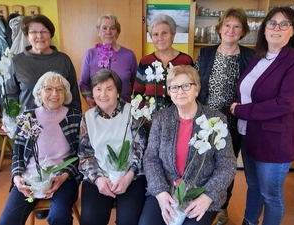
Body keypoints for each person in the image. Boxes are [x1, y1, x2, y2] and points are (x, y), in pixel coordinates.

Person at [230, 7, 294, 225]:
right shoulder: (259, 57)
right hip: (250, 135)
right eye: (272, 23)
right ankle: (249, 221)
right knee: (254, 186)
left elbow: (285, 103)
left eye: (284, 24)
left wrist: (241, 111)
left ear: (293, 31)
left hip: (275, 141)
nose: (277, 28)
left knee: (271, 196)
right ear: (264, 29)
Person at [139, 65, 237, 225]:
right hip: (167, 189)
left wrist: (208, 196)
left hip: (201, 192)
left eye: (186, 86)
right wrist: (161, 193)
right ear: (169, 92)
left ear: (196, 89)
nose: (180, 91)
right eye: (174, 87)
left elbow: (227, 164)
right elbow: (151, 159)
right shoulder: (161, 118)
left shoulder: (215, 120)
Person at [194, 8, 255, 225]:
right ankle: (199, 201)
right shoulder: (206, 53)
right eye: (227, 25)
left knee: (226, 167)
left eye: (236, 26)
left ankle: (222, 205)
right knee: (201, 163)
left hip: (233, 122)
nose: (231, 30)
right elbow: (195, 81)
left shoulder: (250, 56)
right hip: (206, 120)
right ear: (220, 28)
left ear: (243, 31)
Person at [0, 72, 82, 225]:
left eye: (60, 89)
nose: (54, 94)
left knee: (59, 217)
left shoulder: (75, 117)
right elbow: (18, 153)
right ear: (39, 93)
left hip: (62, 178)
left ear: (66, 93)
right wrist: (17, 178)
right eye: (48, 88)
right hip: (29, 178)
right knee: (7, 222)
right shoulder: (28, 117)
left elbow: (79, 154)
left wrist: (64, 175)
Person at [78, 69, 147, 225]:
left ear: (118, 92)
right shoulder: (87, 118)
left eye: (109, 89)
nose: (103, 94)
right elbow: (85, 155)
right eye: (98, 89)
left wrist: (128, 177)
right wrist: (98, 180)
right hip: (99, 176)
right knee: (90, 220)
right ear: (93, 93)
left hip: (131, 176)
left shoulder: (133, 112)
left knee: (128, 220)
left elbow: (140, 148)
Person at [6, 14, 81, 112]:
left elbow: (73, 95)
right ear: (27, 36)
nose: (39, 36)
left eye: (44, 31)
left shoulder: (63, 60)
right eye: (33, 32)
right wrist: (12, 121)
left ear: (51, 34)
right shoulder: (17, 61)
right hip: (28, 123)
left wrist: (76, 119)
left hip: (60, 122)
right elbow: (10, 95)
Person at [134, 14, 194, 110]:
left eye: (164, 33)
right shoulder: (145, 62)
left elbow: (193, 92)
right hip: (151, 122)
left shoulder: (186, 61)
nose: (160, 38)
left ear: (173, 35)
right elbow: (137, 94)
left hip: (179, 120)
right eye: (155, 34)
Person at [79, 14, 137, 107]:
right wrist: (89, 99)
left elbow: (136, 84)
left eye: (113, 28)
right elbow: (83, 83)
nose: (108, 32)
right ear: (98, 31)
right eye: (104, 28)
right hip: (98, 108)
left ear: (118, 32)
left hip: (124, 108)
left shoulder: (129, 55)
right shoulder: (90, 54)